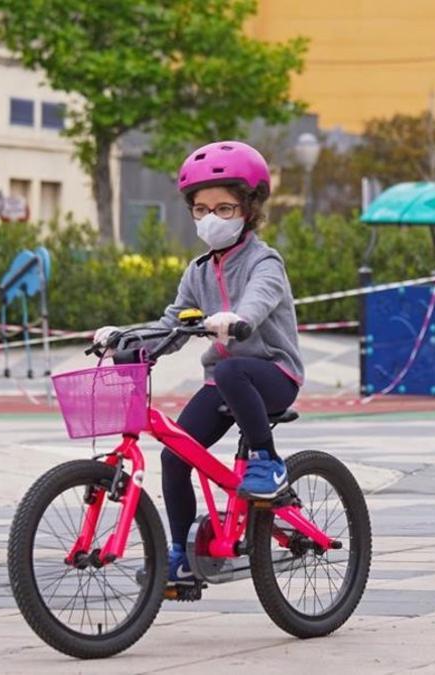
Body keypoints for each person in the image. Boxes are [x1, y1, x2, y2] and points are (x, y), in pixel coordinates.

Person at [93, 140, 303, 586]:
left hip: (273, 374)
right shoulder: (198, 270)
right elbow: (173, 322)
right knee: (175, 456)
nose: (212, 219)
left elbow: (258, 300)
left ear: (249, 208)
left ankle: (269, 461)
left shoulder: (265, 261)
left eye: (224, 208)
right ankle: (180, 556)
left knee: (230, 369)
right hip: (224, 382)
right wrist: (126, 338)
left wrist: (239, 319)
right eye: (201, 209)